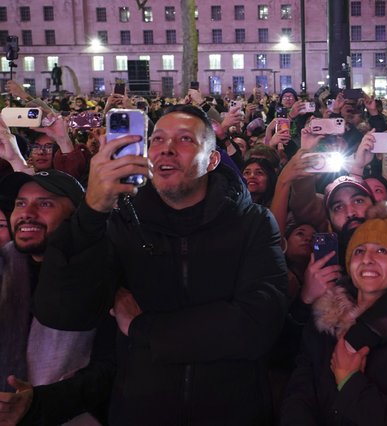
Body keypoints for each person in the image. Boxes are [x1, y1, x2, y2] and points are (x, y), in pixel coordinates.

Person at [33, 105, 289, 425]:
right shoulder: (121, 222)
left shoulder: (253, 223)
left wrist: (145, 329)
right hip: (141, 412)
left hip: (233, 412)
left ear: (212, 159)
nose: (166, 148)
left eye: (185, 139)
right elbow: (62, 312)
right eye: (157, 139)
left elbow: (258, 324)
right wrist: (91, 213)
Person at [281, 202, 387, 425]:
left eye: (381, 250)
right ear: (350, 266)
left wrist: (351, 385)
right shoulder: (322, 321)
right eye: (359, 251)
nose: (368, 259)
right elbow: (300, 391)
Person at [0, 170, 115, 425]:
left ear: (74, 215)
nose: (27, 213)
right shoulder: (5, 267)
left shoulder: (101, 274)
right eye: (21, 203)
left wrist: (39, 403)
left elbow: (110, 368)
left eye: (45, 203)